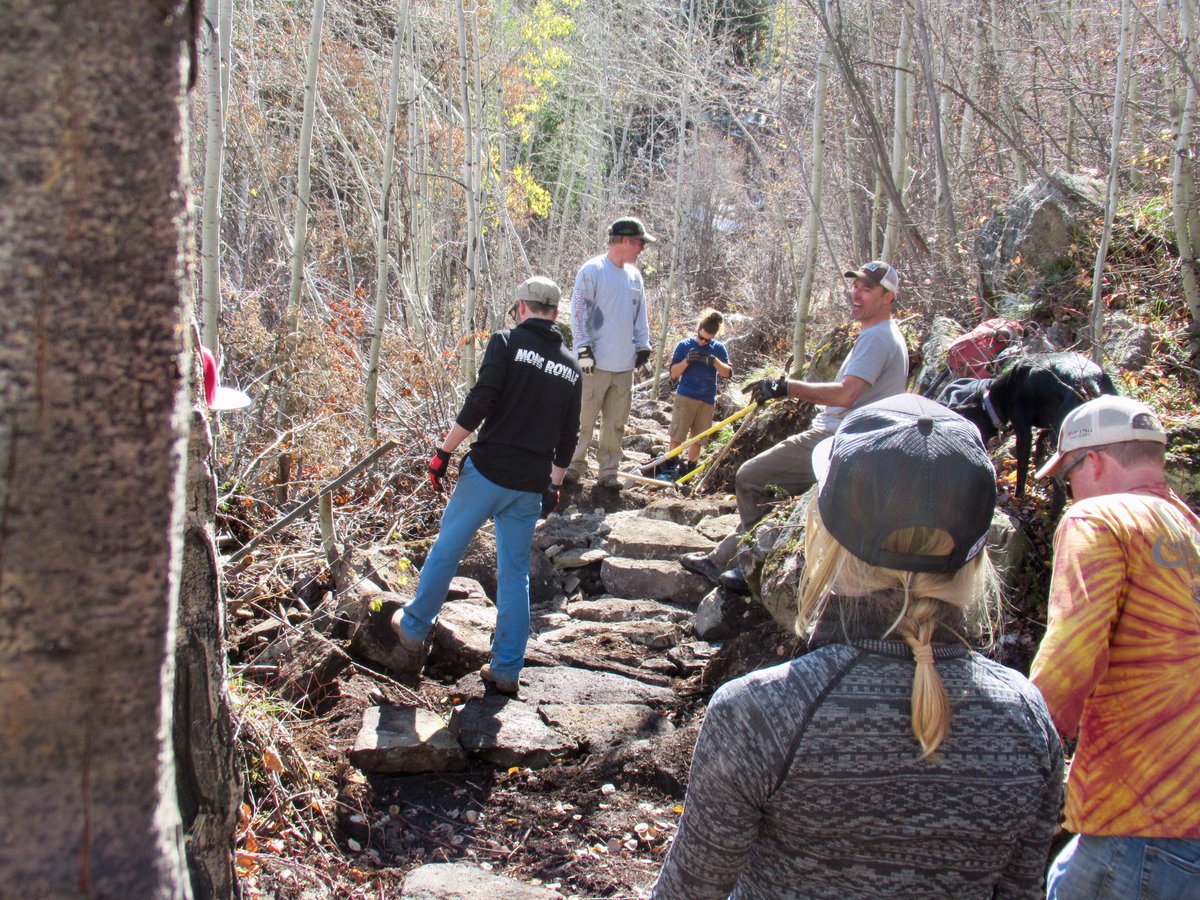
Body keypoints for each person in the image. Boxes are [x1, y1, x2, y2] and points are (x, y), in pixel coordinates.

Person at [652, 394, 1064, 899]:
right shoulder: (1027, 719)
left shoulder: (759, 712)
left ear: (823, 533)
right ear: (978, 554)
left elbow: (688, 892)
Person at [1028, 395, 1200, 898]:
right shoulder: (1191, 530)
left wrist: (1016, 745)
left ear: (1095, 462)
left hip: (1140, 814)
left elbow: (1071, 653)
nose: (1070, 493)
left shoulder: (1098, 519)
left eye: (1068, 477)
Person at [389, 277, 582, 695]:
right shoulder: (571, 367)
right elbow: (569, 436)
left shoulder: (506, 342)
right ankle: (508, 667)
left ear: (522, 307)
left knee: (447, 549)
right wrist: (554, 485)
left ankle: (414, 627)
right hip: (529, 485)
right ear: (554, 313)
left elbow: (481, 401)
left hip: (488, 472)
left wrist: (443, 453)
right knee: (515, 575)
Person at [681, 260, 908, 592]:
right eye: (855, 286)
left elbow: (847, 393)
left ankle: (751, 567)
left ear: (888, 297)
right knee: (772, 495)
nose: (856, 294)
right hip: (851, 438)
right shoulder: (882, 335)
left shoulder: (878, 338)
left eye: (867, 289)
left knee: (751, 477)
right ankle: (721, 559)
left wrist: (785, 387)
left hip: (839, 440)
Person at [566, 216, 655, 489]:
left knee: (616, 423)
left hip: (624, 364)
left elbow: (640, 314)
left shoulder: (634, 276)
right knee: (583, 420)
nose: (642, 249)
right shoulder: (593, 270)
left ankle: (608, 472)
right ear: (625, 241)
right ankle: (573, 466)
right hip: (594, 363)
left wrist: (643, 344)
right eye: (640, 243)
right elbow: (578, 312)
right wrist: (582, 348)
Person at [665, 308, 732, 479]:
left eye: (707, 340)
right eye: (700, 338)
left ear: (713, 337)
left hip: (706, 400)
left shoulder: (718, 349)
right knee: (677, 436)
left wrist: (714, 361)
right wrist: (687, 360)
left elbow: (727, 373)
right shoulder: (684, 345)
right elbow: (673, 373)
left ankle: (689, 472)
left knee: (698, 439)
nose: (702, 342)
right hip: (685, 397)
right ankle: (670, 469)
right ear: (698, 330)